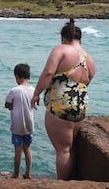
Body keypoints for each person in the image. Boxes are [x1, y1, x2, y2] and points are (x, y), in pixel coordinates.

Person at [31, 17, 95, 180]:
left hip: (61, 105)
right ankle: (70, 180)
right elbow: (87, 82)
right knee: (69, 148)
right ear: (80, 39)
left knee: (63, 150)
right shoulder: (89, 59)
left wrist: (36, 93)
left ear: (63, 38)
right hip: (81, 106)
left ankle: (63, 184)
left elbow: (48, 73)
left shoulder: (61, 49)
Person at [5, 63, 35, 179]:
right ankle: (28, 173)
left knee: (18, 150)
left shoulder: (14, 90)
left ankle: (16, 174)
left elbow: (7, 104)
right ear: (30, 76)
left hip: (17, 126)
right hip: (29, 125)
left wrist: (12, 106)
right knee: (27, 149)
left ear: (16, 76)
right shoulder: (33, 90)